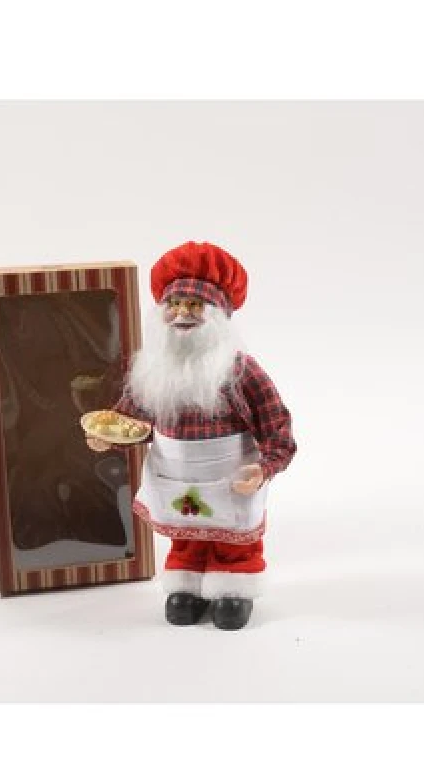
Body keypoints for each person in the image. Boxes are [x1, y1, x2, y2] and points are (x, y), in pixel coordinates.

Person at [85, 241, 297, 630]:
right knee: (185, 533)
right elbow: (130, 419)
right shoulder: (153, 370)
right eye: (175, 304)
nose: (182, 313)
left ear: (218, 316)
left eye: (195, 305)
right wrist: (108, 436)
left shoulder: (241, 371)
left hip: (230, 474)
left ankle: (234, 587)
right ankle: (187, 582)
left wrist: (266, 467)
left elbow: (276, 425)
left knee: (232, 534)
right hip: (174, 473)